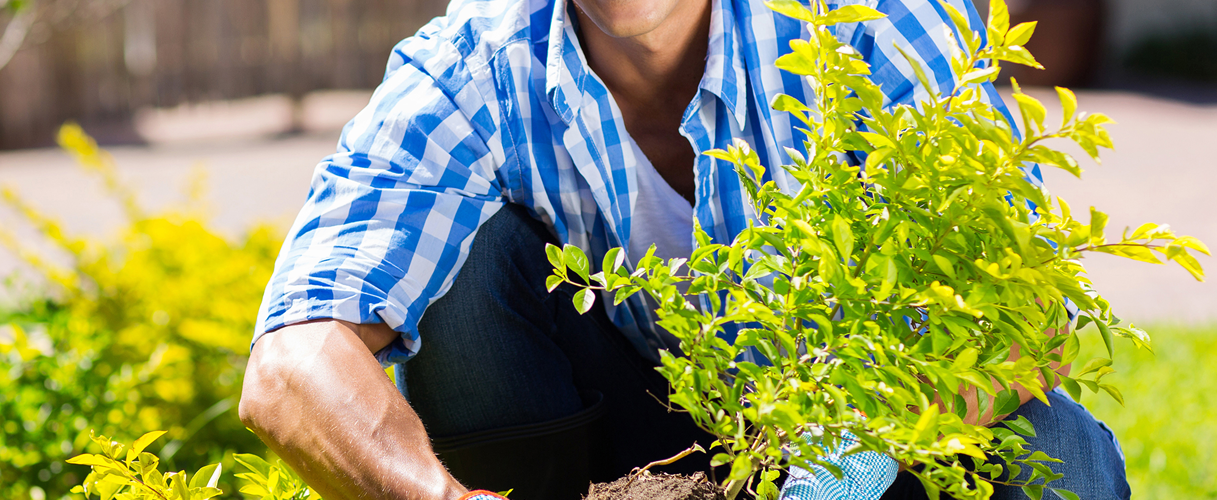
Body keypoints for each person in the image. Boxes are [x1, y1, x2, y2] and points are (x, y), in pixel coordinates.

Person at [238, 0, 1131, 499]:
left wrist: (856, 453)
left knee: (1061, 456)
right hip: (614, 438)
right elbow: (293, 358)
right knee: (457, 266)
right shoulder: (477, 63)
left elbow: (1026, 311)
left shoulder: (871, 25)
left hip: (869, 441)